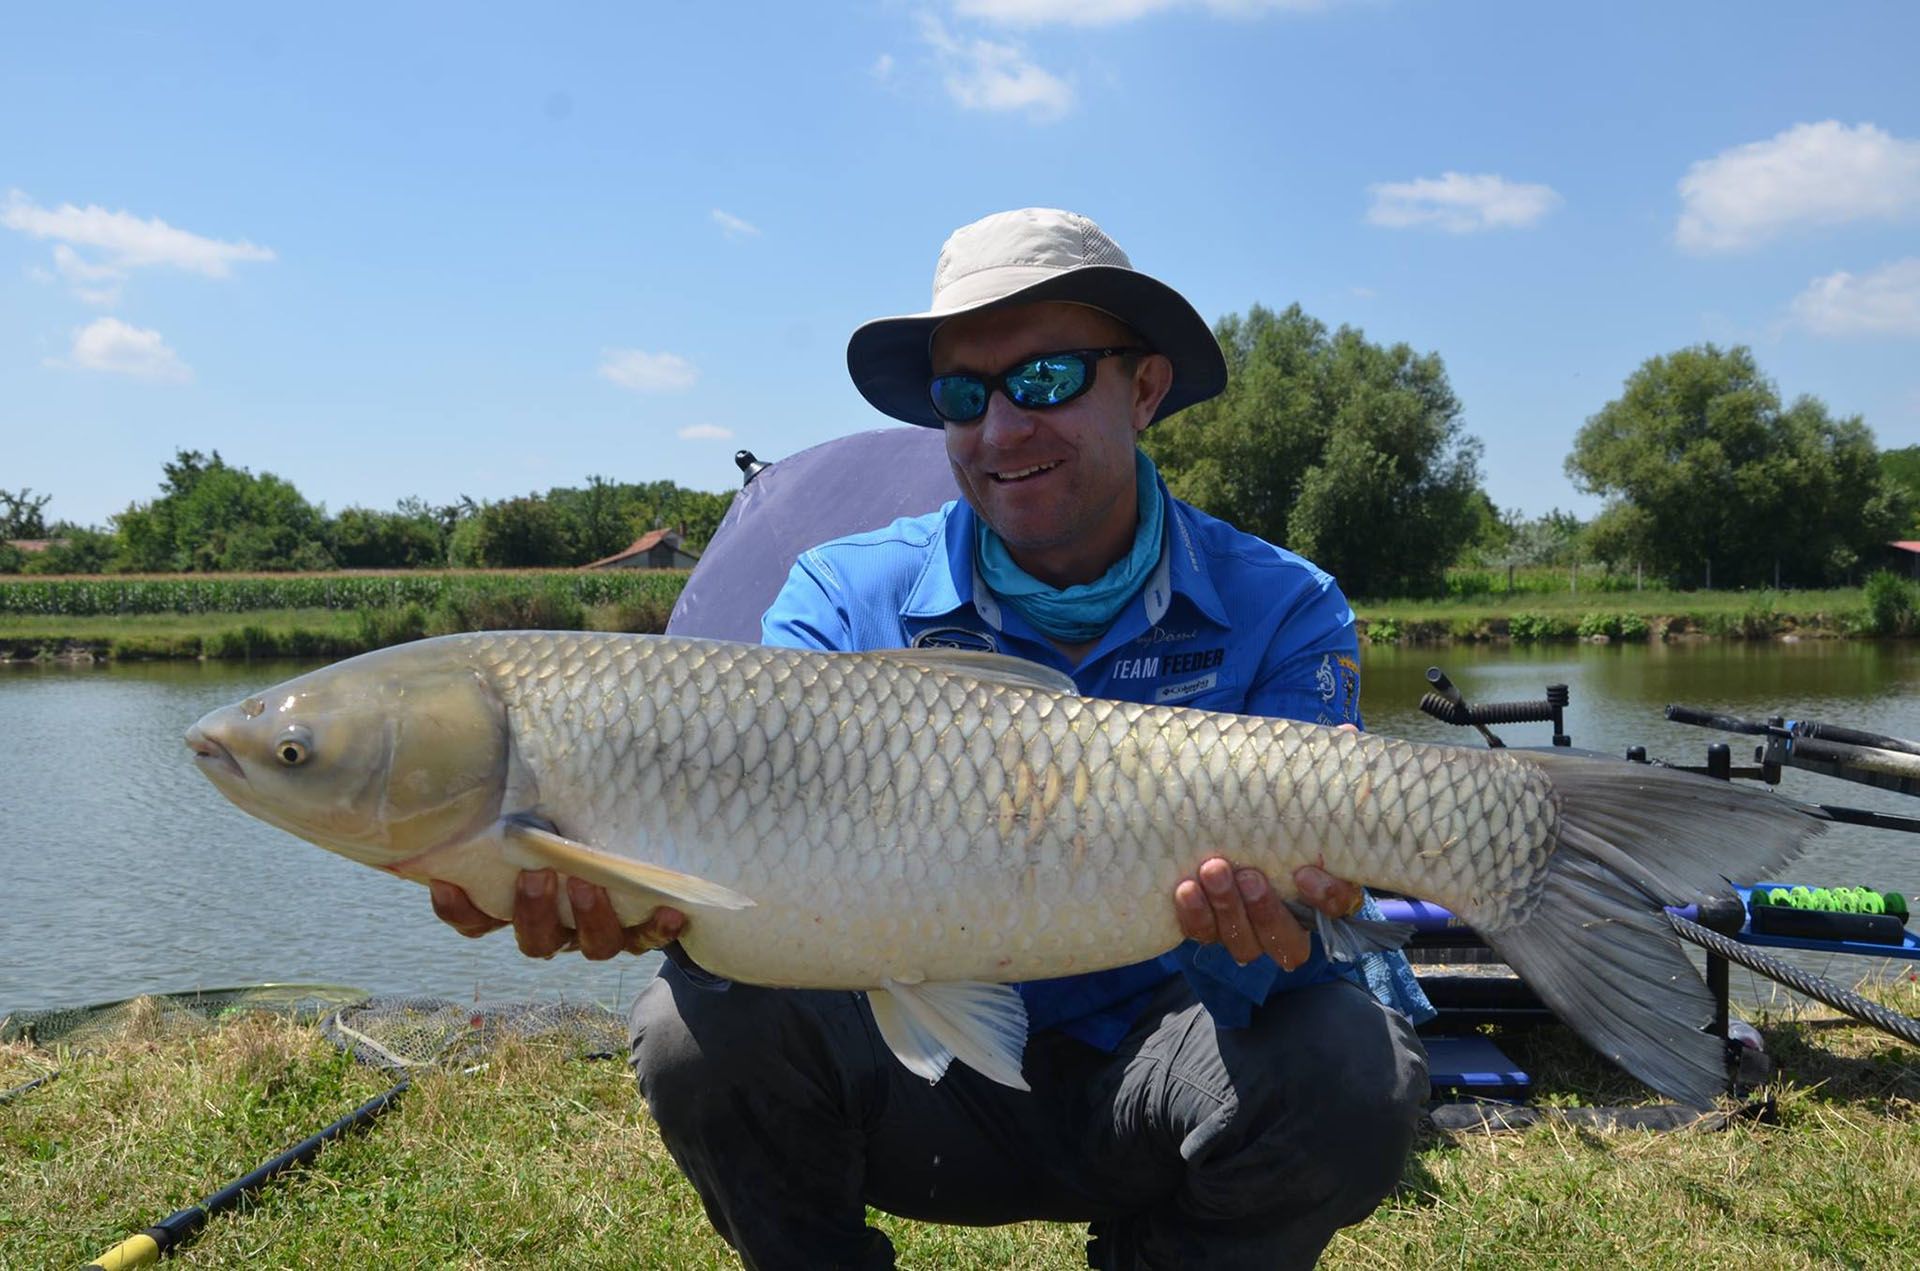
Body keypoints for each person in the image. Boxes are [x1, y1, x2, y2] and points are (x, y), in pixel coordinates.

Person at [431, 208, 1432, 1269]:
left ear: (1144, 388)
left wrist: (1262, 928)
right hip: (916, 1086)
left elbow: (1285, 960)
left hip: (1161, 1055)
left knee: (1351, 1067)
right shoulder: (839, 594)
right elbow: (755, 872)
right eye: (966, 394)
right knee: (692, 1028)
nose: (1002, 430)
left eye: (1045, 378)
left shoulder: (1284, 604)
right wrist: (638, 895)